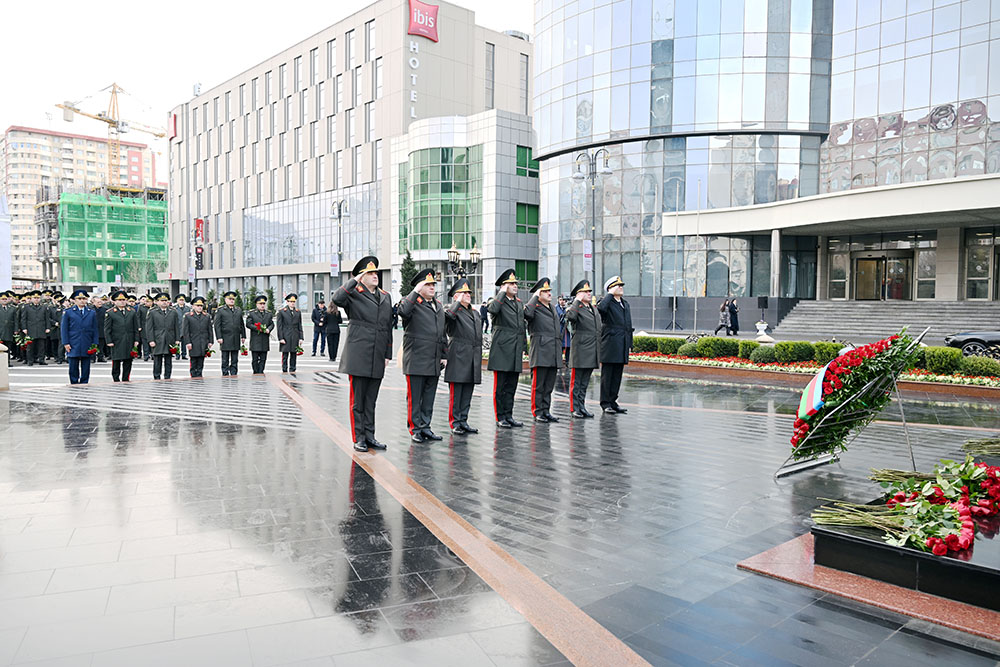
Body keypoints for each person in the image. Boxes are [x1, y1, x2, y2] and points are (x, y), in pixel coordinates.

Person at [333, 256, 394, 453]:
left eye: (376, 272)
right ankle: (358, 437)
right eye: (370, 273)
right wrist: (354, 281)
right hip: (359, 351)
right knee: (358, 400)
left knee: (371, 400)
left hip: (377, 353)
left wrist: (387, 353)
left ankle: (370, 435)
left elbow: (387, 327)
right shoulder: (353, 293)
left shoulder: (385, 296)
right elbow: (336, 299)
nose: (375, 275)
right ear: (361, 276)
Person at [398, 269, 447, 443]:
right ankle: (415, 428)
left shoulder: (438, 305)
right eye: (427, 284)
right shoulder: (411, 303)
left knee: (428, 396)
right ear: (419, 286)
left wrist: (444, 355)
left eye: (433, 284)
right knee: (415, 397)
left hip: (433, 359)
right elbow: (402, 312)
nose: (432, 287)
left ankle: (426, 426)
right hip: (417, 358)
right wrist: (415, 291)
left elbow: (442, 333)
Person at [487, 268, 526, 428]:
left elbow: (521, 325)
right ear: (503, 286)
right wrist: (501, 293)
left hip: (515, 348)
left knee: (511, 386)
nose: (515, 286)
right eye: (511, 283)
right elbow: (492, 310)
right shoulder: (497, 301)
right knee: (501, 386)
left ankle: (509, 415)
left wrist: (524, 346)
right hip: (502, 349)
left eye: (515, 283)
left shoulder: (518, 303)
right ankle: (500, 416)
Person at [443, 278, 482, 435]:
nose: (468, 295)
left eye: (468, 293)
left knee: (467, 390)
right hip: (458, 355)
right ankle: (455, 422)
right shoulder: (452, 311)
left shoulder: (475, 312)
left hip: (472, 356)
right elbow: (448, 319)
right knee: (456, 391)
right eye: (463, 293)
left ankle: (463, 420)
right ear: (455, 296)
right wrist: (457, 303)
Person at [524, 277, 562, 423]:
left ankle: (546, 410)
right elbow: (527, 314)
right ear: (538, 294)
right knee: (538, 385)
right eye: (545, 291)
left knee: (548, 385)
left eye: (549, 291)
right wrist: (534, 297)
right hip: (540, 350)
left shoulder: (552, 307)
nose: (549, 294)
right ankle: (537, 411)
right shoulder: (534, 307)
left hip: (552, 351)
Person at [597, 276, 633, 415]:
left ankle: (613, 401)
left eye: (621, 285)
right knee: (608, 375)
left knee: (617, 375)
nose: (621, 287)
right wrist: (610, 294)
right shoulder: (607, 302)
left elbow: (627, 325)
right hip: (610, 344)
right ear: (610, 289)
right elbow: (601, 309)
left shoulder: (625, 304)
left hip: (622, 344)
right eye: (617, 286)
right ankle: (605, 402)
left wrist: (629, 343)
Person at [565, 279, 601, 418]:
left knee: (585, 382)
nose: (588, 293)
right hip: (580, 351)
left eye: (589, 291)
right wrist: (576, 301)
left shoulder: (592, 308)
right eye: (585, 291)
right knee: (577, 382)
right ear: (578, 294)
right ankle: (575, 408)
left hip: (591, 350)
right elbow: (571, 318)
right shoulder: (575, 308)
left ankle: (582, 406)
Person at [60, 289, 98, 385]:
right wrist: (66, 343)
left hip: (87, 341)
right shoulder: (68, 312)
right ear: (74, 300)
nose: (82, 301)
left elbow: (95, 329)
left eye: (84, 298)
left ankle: (84, 381)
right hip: (73, 341)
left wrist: (95, 343)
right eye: (79, 298)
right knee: (73, 364)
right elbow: (64, 329)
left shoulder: (91, 312)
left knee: (86, 364)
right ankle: (74, 382)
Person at [104, 290, 139, 382]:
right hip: (116, 340)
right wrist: (109, 341)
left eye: (124, 299)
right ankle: (116, 378)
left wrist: (136, 340)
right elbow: (107, 329)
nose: (122, 301)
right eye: (119, 300)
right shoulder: (110, 312)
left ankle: (125, 378)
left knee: (128, 360)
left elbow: (136, 327)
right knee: (116, 360)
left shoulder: (131, 311)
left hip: (129, 339)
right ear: (114, 301)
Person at [147, 292, 181, 380]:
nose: (164, 302)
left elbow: (176, 326)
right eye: (162, 301)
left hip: (170, 338)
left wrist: (177, 339)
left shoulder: (173, 312)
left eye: (166, 300)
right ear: (157, 302)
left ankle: (167, 376)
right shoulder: (152, 312)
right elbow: (149, 328)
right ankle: (157, 376)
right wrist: (151, 340)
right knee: (157, 359)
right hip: (157, 338)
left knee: (168, 359)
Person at [214, 290, 245, 376]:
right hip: (225, 337)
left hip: (235, 337)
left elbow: (241, 324)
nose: (231, 300)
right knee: (225, 358)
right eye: (229, 299)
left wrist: (243, 336)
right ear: (225, 300)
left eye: (233, 299)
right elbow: (217, 325)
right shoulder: (221, 310)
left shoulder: (238, 310)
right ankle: (225, 373)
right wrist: (219, 337)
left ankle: (234, 372)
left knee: (235, 358)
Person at [183, 296, 214, 378]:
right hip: (193, 341)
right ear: (193, 306)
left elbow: (209, 330)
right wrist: (188, 342)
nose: (200, 307)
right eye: (198, 306)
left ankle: (199, 374)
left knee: (201, 360)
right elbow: (186, 331)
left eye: (201, 306)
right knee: (193, 360)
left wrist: (211, 341)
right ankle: (193, 375)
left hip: (203, 341)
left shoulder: (206, 316)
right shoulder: (188, 316)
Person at [19, 291, 51, 367]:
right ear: (31, 298)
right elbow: (23, 319)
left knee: (41, 346)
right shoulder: (26, 307)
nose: (36, 299)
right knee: (30, 347)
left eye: (38, 298)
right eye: (34, 298)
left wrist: (48, 327)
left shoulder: (44, 307)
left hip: (41, 328)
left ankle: (41, 360)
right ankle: (30, 360)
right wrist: (24, 328)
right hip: (30, 329)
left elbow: (47, 318)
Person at [245, 295, 273, 374]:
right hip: (255, 339)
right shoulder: (252, 313)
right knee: (255, 359)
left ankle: (261, 371)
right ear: (257, 305)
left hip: (264, 339)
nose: (262, 305)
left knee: (263, 358)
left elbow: (272, 324)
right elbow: (248, 324)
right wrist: (258, 328)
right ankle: (255, 371)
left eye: (263, 303)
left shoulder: (268, 314)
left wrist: (268, 329)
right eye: (260, 304)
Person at [276, 293, 304, 372]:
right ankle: (284, 369)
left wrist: (301, 337)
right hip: (285, 335)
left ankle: (293, 369)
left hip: (295, 335)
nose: (292, 303)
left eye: (293, 302)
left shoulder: (297, 312)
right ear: (287, 302)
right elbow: (279, 326)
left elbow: (300, 325)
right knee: (285, 354)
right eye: (290, 301)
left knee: (293, 354)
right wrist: (280, 338)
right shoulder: (282, 312)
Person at [48, 293, 66, 364]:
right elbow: (48, 318)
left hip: (62, 327)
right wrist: (54, 323)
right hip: (55, 328)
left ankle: (61, 357)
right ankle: (58, 357)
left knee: (62, 343)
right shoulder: (51, 308)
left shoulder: (64, 308)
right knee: (56, 343)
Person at [0, 291, 16, 367]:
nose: (4, 300)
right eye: (2, 299)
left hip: (9, 331)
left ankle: (7, 362)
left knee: (7, 348)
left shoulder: (12, 308)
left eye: (5, 299)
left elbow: (15, 320)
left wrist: (15, 330)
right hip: (0, 331)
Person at [92, 294, 109, 362]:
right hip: (93, 330)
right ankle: (92, 357)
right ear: (93, 302)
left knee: (101, 345)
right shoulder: (90, 309)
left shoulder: (105, 309)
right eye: (98, 302)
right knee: (93, 344)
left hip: (101, 329)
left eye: (100, 302)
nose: (100, 303)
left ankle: (100, 357)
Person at [174, 294, 191, 360]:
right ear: (177, 301)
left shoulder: (187, 308)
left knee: (184, 342)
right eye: (180, 300)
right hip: (177, 327)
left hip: (185, 327)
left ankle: (184, 354)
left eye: (182, 300)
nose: (181, 301)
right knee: (177, 341)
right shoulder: (174, 308)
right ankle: (177, 354)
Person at [136, 295, 152, 360]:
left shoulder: (154, 308)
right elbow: (138, 317)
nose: (148, 303)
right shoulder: (141, 307)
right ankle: (146, 355)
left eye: (149, 302)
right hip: (143, 326)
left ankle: (152, 354)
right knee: (145, 341)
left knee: (152, 340)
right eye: (147, 302)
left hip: (152, 327)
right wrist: (139, 326)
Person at [557, 296, 570, 365]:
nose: (562, 301)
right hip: (560, 329)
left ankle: (568, 361)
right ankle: (559, 362)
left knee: (568, 346)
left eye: (564, 300)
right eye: (561, 300)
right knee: (560, 347)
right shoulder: (556, 308)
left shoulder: (567, 308)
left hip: (566, 330)